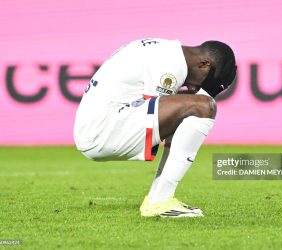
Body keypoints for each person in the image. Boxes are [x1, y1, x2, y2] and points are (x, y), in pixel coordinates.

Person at [74, 38, 237, 217]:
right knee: (204, 106)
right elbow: (171, 107)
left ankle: (158, 199)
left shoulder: (166, 51)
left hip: (100, 124)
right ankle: (160, 201)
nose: (196, 88)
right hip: (102, 130)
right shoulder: (172, 65)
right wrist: (196, 101)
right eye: (204, 83)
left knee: (188, 108)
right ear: (204, 64)